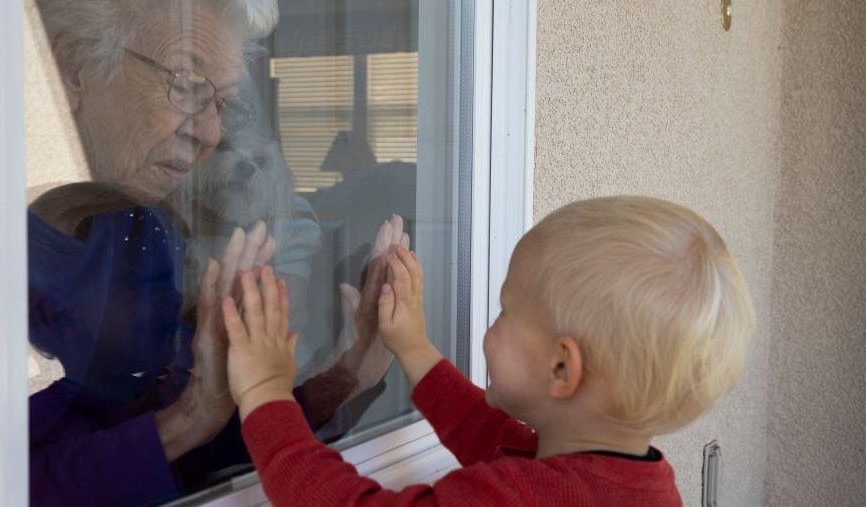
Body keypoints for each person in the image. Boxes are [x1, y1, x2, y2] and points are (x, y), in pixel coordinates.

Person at [25, 0, 397, 504]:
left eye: (221, 103)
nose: (211, 133)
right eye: (188, 85)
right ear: (74, 69)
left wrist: (344, 377)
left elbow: (192, 462)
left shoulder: (147, 238)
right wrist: (186, 419)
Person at [222, 196, 758, 505]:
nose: (490, 323)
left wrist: (268, 395)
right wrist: (412, 346)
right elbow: (489, 435)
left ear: (561, 368)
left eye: (505, 311)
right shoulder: (630, 481)